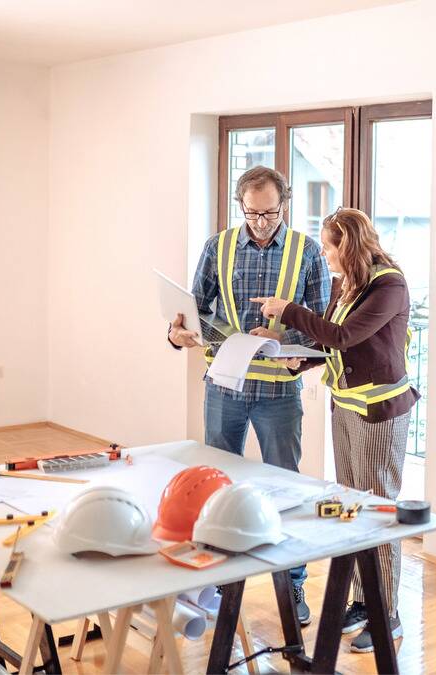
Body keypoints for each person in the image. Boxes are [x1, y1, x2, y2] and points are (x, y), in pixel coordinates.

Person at [167, 165, 330, 625]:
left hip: (278, 392)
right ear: (240, 205)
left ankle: (292, 586)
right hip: (224, 385)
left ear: (285, 204)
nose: (260, 222)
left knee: (286, 488)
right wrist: (176, 333)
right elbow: (192, 309)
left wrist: (290, 340)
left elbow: (321, 325)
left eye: (270, 213)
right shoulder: (217, 247)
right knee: (217, 484)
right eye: (252, 213)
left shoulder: (308, 251)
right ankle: (219, 580)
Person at [252, 207, 419, 653]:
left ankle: (388, 614)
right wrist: (299, 360)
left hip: (381, 410)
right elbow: (330, 343)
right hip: (346, 404)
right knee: (352, 504)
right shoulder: (350, 283)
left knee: (380, 507)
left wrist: (289, 311)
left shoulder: (389, 285)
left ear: (348, 244)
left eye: (329, 245)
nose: (324, 253)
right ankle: (363, 601)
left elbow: (343, 336)